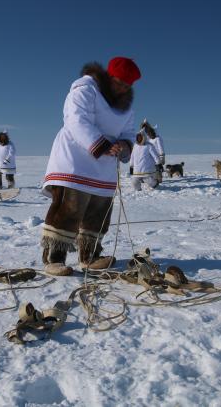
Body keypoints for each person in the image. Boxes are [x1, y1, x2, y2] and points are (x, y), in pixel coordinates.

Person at [41, 57, 141, 276]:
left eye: (127, 86)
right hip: (75, 159)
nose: (122, 89)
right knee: (69, 209)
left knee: (99, 211)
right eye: (119, 83)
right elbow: (76, 120)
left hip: (104, 166)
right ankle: (54, 258)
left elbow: (129, 132)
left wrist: (124, 145)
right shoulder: (86, 90)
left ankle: (90, 256)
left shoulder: (125, 109)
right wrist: (101, 145)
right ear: (109, 77)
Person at [140, 119, 165, 184]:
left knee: (157, 168)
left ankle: (159, 179)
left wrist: (162, 156)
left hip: (157, 155)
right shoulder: (149, 139)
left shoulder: (157, 139)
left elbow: (160, 147)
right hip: (150, 156)